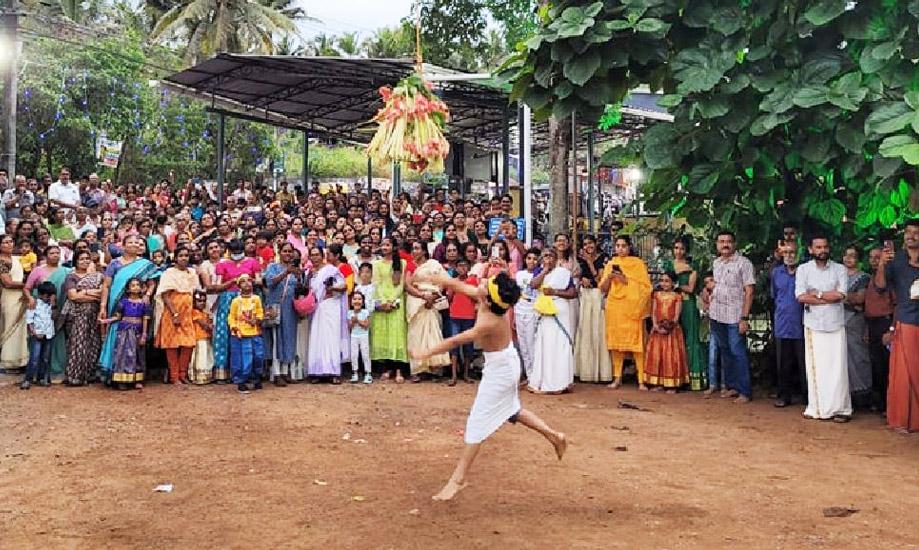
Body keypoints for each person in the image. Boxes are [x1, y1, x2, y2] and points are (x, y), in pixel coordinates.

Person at [409, 272, 567, 501]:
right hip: (504, 363)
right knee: (512, 410)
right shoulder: (488, 301)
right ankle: (554, 436)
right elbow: (459, 285)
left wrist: (426, 352)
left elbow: (457, 340)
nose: (483, 282)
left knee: (476, 424)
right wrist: (435, 277)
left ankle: (458, 480)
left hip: (501, 371)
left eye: (487, 284)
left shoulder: (489, 321)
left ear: (489, 300)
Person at [796, 236, 851, 422]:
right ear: (810, 249)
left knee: (838, 368)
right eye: (818, 247)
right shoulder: (803, 270)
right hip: (814, 325)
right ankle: (818, 408)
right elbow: (801, 297)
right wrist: (828, 298)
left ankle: (842, 409)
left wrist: (817, 294)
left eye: (825, 246)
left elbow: (841, 294)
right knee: (816, 369)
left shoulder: (840, 269)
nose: (822, 250)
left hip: (835, 324)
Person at [875, 219, 919, 433]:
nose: (911, 236)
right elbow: (881, 286)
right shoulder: (896, 260)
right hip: (906, 321)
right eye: (908, 232)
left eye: (916, 233)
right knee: (904, 374)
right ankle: (902, 420)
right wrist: (882, 263)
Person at [98, 235, 157, 384]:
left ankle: (132, 373)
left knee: (134, 342)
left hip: (136, 307)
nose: (134, 245)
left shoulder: (145, 264)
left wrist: (147, 295)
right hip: (116, 304)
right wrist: (103, 306)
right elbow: (106, 285)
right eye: (130, 242)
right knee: (115, 334)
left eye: (137, 243)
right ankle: (113, 372)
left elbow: (151, 283)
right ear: (123, 246)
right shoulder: (114, 264)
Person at [600, 235, 652, 390]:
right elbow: (602, 288)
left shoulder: (637, 264)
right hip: (615, 306)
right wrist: (610, 277)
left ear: (629, 247)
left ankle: (641, 379)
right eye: (617, 245)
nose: (620, 248)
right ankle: (617, 377)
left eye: (623, 245)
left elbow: (646, 287)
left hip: (633, 308)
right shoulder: (611, 264)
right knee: (616, 344)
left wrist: (625, 280)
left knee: (637, 343)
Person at [708, 231, 754, 403]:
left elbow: (749, 291)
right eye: (721, 241)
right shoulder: (717, 263)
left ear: (734, 244)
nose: (725, 244)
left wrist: (745, 317)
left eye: (728, 241)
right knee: (726, 351)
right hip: (717, 314)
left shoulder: (744, 263)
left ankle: (745, 391)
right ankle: (732, 386)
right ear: (717, 244)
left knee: (737, 352)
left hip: (735, 315)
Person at [527, 248, 577, 394]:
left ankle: (561, 383)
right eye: (545, 256)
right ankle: (543, 381)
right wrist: (544, 271)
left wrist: (555, 292)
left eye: (550, 256)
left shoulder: (563, 273)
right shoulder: (539, 271)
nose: (547, 258)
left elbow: (573, 293)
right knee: (545, 346)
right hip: (544, 312)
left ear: (556, 258)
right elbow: (533, 285)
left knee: (560, 345)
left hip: (560, 310)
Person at [212, 239, 262, 382]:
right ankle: (224, 372)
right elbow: (217, 286)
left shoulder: (252, 262)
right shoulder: (222, 264)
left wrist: (246, 280)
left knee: (249, 334)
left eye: (239, 252)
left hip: (249, 299)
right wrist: (233, 282)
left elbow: (259, 281)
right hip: (228, 299)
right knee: (225, 334)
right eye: (234, 252)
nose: (237, 255)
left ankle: (251, 372)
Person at [24, 244, 70, 380]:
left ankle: (55, 370)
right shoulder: (38, 270)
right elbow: (27, 288)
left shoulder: (66, 271)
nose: (55, 255)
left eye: (57, 253)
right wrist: (31, 299)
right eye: (52, 253)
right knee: (37, 343)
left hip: (58, 309)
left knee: (56, 338)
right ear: (46, 256)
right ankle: (33, 373)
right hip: (39, 311)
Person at [665, 238, 706, 390]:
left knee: (691, 340)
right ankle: (675, 377)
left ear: (686, 250)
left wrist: (677, 284)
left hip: (688, 304)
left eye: (682, 248)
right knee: (674, 340)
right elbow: (664, 284)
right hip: (671, 303)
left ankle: (694, 378)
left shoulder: (693, 266)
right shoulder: (668, 264)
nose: (678, 251)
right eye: (676, 248)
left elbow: (690, 288)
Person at [155, 246, 201, 384]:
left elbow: (194, 292)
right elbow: (166, 296)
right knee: (172, 344)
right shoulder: (169, 273)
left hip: (187, 311)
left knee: (188, 343)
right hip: (172, 311)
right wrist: (174, 313)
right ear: (175, 258)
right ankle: (174, 376)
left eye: (186, 255)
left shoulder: (192, 273)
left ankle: (183, 374)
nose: (184, 258)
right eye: (181, 255)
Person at [406, 243, 450, 382]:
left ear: (424, 251)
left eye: (417, 248)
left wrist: (433, 296)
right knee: (416, 335)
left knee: (433, 333)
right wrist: (422, 296)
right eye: (413, 248)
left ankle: (434, 368)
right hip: (416, 302)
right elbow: (407, 285)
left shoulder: (434, 264)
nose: (414, 251)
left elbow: (444, 282)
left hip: (433, 301)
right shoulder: (410, 265)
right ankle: (418, 369)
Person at [770, 243, 806, 408]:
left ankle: (808, 397)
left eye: (792, 252)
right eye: (786, 252)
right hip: (783, 323)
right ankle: (784, 395)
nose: (790, 255)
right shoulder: (776, 273)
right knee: (783, 362)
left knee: (804, 362)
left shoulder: (805, 272)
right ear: (781, 254)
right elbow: (774, 295)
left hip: (802, 323)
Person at [61, 250, 104, 385]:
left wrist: (83, 292)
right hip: (78, 316)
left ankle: (89, 375)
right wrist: (90, 294)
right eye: (81, 259)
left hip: (94, 314)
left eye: (87, 259)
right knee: (78, 344)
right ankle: (75, 377)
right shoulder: (71, 277)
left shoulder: (97, 276)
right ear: (76, 261)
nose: (85, 261)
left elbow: (102, 293)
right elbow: (73, 297)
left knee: (94, 344)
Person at [308, 244, 349, 384]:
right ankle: (317, 372)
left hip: (331, 306)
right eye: (312, 255)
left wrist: (331, 288)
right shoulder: (309, 272)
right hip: (316, 309)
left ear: (322, 255)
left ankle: (334, 372)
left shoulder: (330, 270)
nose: (315, 257)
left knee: (331, 339)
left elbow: (344, 285)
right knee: (318, 338)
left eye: (317, 254)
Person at [574, 234, 612, 383]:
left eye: (590, 243)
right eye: (585, 244)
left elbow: (600, 280)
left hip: (598, 296)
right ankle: (585, 371)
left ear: (596, 244)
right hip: (585, 296)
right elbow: (577, 275)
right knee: (586, 331)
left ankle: (601, 372)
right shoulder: (580, 260)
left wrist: (590, 262)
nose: (587, 247)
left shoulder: (604, 258)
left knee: (598, 331)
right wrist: (581, 279)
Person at [644, 272, 689, 392]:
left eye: (667, 281)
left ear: (673, 283)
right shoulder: (656, 295)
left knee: (670, 356)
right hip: (657, 329)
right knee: (658, 356)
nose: (664, 283)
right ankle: (659, 382)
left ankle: (672, 384)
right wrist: (655, 325)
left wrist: (669, 326)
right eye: (662, 280)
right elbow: (653, 311)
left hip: (671, 331)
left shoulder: (677, 296)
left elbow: (676, 315)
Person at [264, 242, 301, 385]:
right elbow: (269, 282)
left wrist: (298, 280)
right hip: (275, 306)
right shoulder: (272, 267)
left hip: (290, 308)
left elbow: (299, 289)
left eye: (290, 251)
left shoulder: (296, 269)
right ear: (280, 252)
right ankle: (276, 373)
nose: (288, 253)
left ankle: (286, 372)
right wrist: (286, 272)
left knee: (288, 338)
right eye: (285, 251)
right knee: (276, 339)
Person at [371, 238, 408, 383]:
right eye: (383, 245)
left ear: (393, 247)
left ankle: (399, 370)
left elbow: (402, 284)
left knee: (397, 334)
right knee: (384, 334)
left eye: (388, 245)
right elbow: (377, 283)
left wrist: (393, 300)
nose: (385, 247)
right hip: (382, 303)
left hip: (397, 302)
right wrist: (383, 302)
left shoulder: (402, 263)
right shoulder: (376, 264)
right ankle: (386, 369)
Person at [105, 277, 150, 390]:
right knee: (123, 355)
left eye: (137, 285)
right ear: (128, 289)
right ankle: (122, 380)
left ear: (142, 288)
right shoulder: (123, 302)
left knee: (138, 355)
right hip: (124, 332)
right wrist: (106, 321)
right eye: (132, 285)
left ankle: (137, 379)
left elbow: (145, 319)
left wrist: (144, 334)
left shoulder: (144, 304)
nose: (135, 287)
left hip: (138, 332)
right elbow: (118, 317)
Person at [863, 246, 894, 413]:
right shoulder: (871, 278)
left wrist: (891, 329)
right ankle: (880, 402)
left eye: (878, 257)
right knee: (876, 365)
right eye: (872, 257)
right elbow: (869, 306)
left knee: (886, 366)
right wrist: (868, 329)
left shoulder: (889, 278)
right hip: (873, 324)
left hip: (885, 324)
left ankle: (890, 405)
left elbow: (896, 305)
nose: (874, 260)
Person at [841, 246, 873, 406]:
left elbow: (860, 299)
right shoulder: (836, 275)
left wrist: (837, 296)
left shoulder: (864, 278)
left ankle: (863, 393)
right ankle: (846, 395)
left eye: (852, 256)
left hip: (856, 323)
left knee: (858, 357)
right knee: (842, 358)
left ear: (858, 260)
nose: (848, 259)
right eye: (846, 255)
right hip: (838, 323)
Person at [228, 274, 264, 394]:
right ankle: (241, 382)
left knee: (257, 356)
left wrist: (257, 320)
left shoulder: (256, 299)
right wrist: (234, 327)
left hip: (254, 333)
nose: (247, 283)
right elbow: (231, 317)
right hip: (241, 335)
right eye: (243, 282)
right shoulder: (236, 301)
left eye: (249, 281)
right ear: (239, 286)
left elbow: (260, 312)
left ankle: (256, 378)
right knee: (243, 359)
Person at [0, 233, 30, 370]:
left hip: (20, 296)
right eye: (5, 242)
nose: (9, 244)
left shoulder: (16, 259)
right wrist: (27, 285)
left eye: (10, 241)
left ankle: (20, 361)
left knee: (20, 328)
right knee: (10, 326)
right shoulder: (1, 261)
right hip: (9, 296)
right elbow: (8, 283)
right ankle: (8, 361)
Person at [447, 258, 478, 386]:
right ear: (456, 268)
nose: (462, 268)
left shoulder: (473, 281)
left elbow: (476, 297)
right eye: (459, 266)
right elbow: (449, 297)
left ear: (469, 268)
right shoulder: (453, 281)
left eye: (465, 266)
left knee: (468, 346)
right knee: (454, 344)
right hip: (455, 315)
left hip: (469, 315)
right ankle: (453, 375)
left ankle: (465, 374)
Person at [21, 281, 56, 389]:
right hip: (37, 335)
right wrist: (34, 332)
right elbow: (29, 320)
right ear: (41, 294)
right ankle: (28, 379)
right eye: (47, 295)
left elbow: (55, 317)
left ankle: (41, 378)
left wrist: (53, 305)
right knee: (34, 358)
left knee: (45, 358)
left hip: (48, 334)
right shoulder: (34, 304)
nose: (48, 297)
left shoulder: (51, 305)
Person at [514, 248, 539, 382]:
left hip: (532, 311)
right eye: (529, 258)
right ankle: (529, 375)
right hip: (519, 310)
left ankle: (535, 375)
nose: (532, 261)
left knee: (531, 344)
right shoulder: (519, 274)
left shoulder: (540, 274)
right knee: (523, 345)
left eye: (535, 259)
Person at [188, 289, 214, 385]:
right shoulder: (194, 312)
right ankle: (199, 377)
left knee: (207, 357)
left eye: (204, 301)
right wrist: (211, 325)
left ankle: (207, 376)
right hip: (199, 339)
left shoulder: (204, 313)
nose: (202, 303)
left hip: (206, 338)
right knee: (200, 358)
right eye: (199, 301)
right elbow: (204, 325)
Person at [348, 290, 373, 384]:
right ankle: (354, 373)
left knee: (365, 354)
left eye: (359, 299)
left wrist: (358, 320)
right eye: (355, 299)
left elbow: (366, 325)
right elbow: (349, 327)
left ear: (362, 301)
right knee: (354, 355)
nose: (357, 301)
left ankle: (368, 373)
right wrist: (352, 322)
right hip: (354, 336)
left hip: (363, 336)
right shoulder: (350, 313)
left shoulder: (365, 312)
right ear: (351, 301)